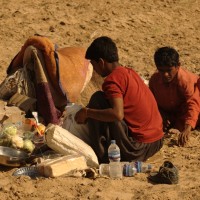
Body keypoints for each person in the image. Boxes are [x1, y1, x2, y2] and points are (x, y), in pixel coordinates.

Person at [75, 36, 164, 163]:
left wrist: (87, 112)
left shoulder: (112, 80)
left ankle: (101, 155)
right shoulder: (128, 72)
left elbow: (117, 114)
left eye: (94, 65)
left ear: (101, 62)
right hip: (157, 141)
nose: (94, 70)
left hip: (138, 149)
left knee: (97, 100)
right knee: (103, 102)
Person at [149, 46, 200, 147]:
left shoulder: (185, 80)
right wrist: (162, 115)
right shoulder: (154, 81)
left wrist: (187, 128)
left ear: (178, 66)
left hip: (187, 116)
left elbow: (193, 104)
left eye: (169, 70)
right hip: (171, 116)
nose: (165, 74)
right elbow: (152, 103)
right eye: (161, 70)